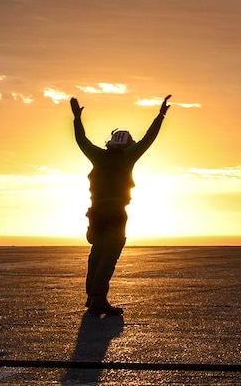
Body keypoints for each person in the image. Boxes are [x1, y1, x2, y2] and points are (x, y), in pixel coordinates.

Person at [71, 94, 171, 316]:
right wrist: (160, 115)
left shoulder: (98, 155)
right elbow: (148, 138)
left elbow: (81, 140)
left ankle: (92, 296)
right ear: (127, 144)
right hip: (116, 212)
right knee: (110, 252)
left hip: (95, 212)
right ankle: (98, 297)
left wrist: (77, 119)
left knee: (96, 252)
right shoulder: (127, 156)